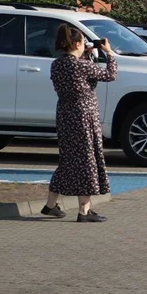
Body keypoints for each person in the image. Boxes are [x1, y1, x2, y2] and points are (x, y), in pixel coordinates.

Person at [40, 25, 117, 223]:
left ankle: (50, 205)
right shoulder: (81, 66)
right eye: (82, 42)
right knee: (87, 161)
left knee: (67, 160)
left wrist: (85, 55)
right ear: (76, 43)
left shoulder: (57, 64)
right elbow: (110, 75)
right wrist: (109, 54)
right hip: (84, 116)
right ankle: (84, 210)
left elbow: (79, 75)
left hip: (65, 114)